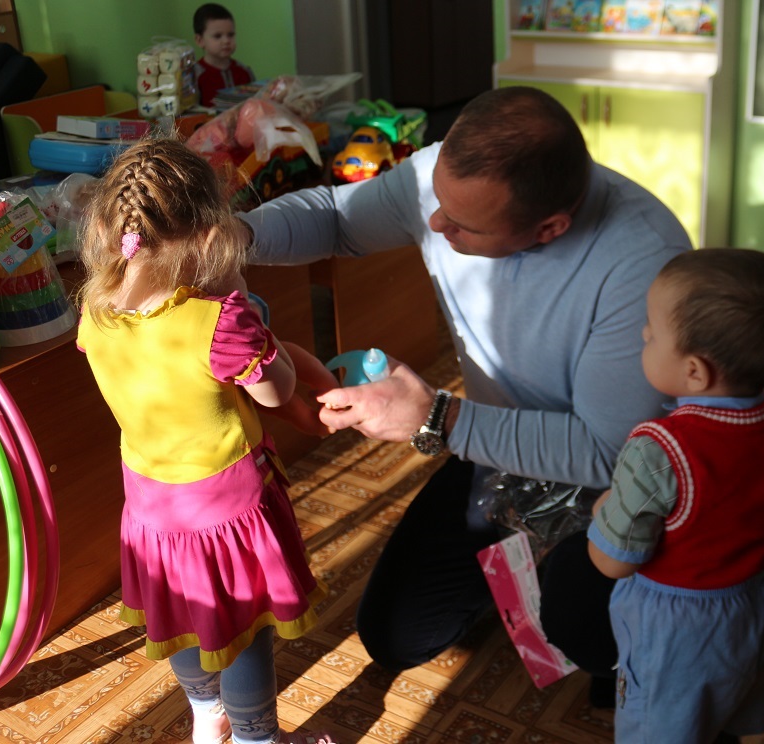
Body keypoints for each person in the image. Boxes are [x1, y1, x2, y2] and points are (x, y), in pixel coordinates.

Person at [238, 85, 692, 703]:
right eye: (437, 202)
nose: (433, 223)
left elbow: (608, 451)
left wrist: (438, 419)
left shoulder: (643, 263)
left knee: (594, 646)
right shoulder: (440, 179)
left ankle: (587, 613)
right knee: (394, 637)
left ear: (549, 228)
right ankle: (523, 572)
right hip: (494, 448)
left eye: (462, 225)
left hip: (612, 486)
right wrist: (236, 236)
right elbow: (338, 218)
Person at [76, 138, 336, 744]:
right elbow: (279, 390)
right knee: (244, 631)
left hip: (152, 510)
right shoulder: (221, 323)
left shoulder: (95, 313)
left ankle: (205, 713)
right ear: (209, 236)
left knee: (184, 613)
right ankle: (255, 738)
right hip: (229, 514)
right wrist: (240, 302)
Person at [587, 248, 764, 743]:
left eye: (652, 332)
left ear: (695, 371)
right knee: (724, 706)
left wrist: (603, 507)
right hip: (756, 604)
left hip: (677, 629)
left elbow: (613, 562)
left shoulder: (658, 450)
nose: (643, 335)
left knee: (662, 724)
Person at [193, 3, 255, 107]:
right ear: (199, 40)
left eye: (230, 35)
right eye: (217, 36)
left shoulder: (244, 71)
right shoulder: (194, 77)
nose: (226, 41)